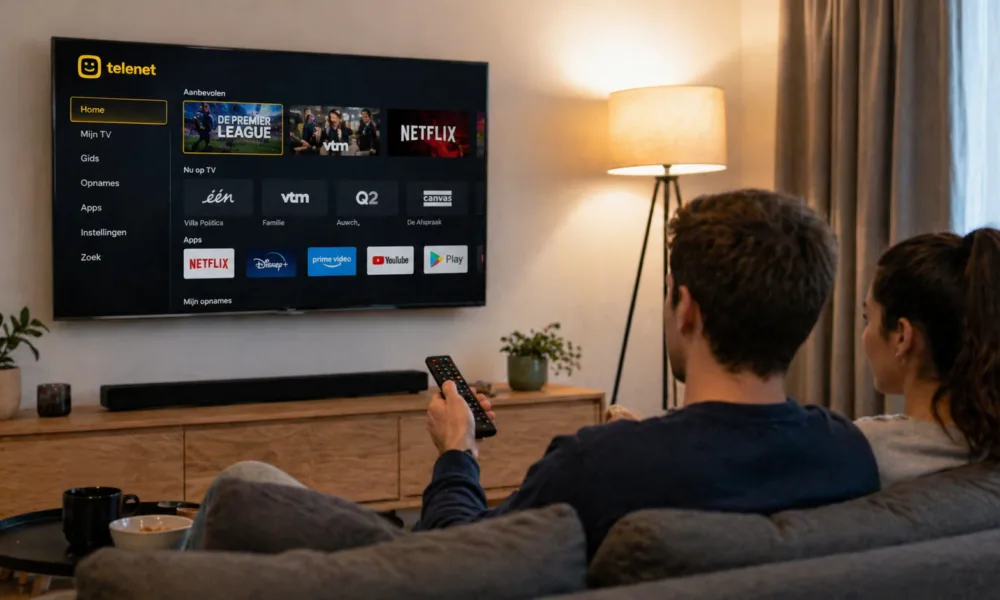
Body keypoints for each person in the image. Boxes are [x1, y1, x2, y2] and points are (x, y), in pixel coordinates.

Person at [416, 189, 879, 558]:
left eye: (667, 292)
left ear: (687, 310)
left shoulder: (599, 464)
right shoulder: (847, 453)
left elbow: (456, 560)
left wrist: (459, 450)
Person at [856, 228, 1000, 487]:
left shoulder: (857, 451)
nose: (864, 335)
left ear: (902, 336)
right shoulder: (989, 452)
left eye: (868, 318)